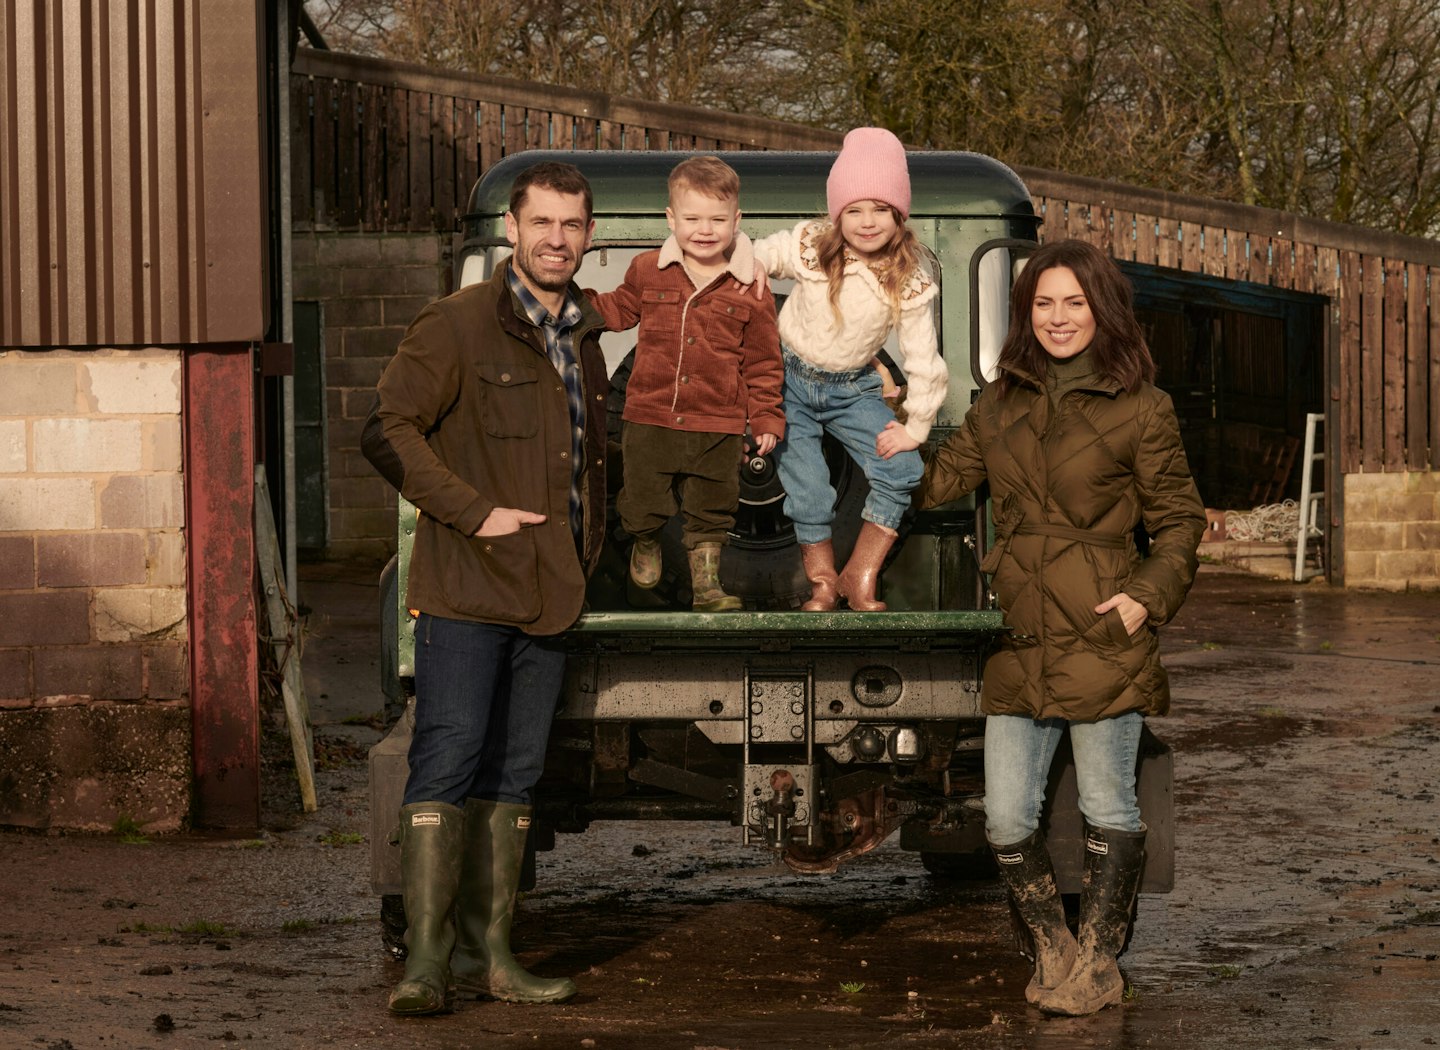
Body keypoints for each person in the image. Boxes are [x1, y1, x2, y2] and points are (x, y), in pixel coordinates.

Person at [918, 239, 1206, 1016]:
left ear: (1101, 309)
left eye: (1073, 302)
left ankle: (1102, 959)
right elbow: (942, 484)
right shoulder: (998, 404)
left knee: (1110, 805)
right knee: (1007, 814)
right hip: (1020, 639)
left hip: (1102, 628)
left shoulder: (1142, 408)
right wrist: (891, 432)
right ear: (1025, 314)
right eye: (1043, 303)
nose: (1057, 318)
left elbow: (1180, 522)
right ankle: (1053, 944)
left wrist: (1147, 595)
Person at [361, 161, 608, 1016]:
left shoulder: (586, 333)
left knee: (516, 770)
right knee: (448, 755)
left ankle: (491, 955)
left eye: (572, 226)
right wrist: (471, 512)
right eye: (542, 223)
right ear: (513, 228)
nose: (556, 239)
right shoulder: (458, 324)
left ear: (588, 235)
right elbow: (385, 429)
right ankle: (427, 965)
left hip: (550, 591)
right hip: (468, 585)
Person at [751, 127, 946, 611]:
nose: (867, 221)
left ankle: (859, 575)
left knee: (902, 468)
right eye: (854, 210)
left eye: (881, 209)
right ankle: (821, 582)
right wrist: (747, 267)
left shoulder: (908, 278)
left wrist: (915, 427)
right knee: (811, 488)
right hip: (788, 380)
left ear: (900, 215)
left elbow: (924, 358)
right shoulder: (814, 245)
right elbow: (765, 254)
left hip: (852, 389)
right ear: (838, 214)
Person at [588, 156, 784, 612]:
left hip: (716, 423)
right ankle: (646, 540)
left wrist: (767, 416)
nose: (704, 229)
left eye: (717, 219)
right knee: (640, 498)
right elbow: (618, 308)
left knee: (712, 507)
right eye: (692, 218)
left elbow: (763, 361)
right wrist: (571, 305)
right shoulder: (647, 270)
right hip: (649, 414)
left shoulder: (750, 288)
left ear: (737, 221)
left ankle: (708, 586)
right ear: (671, 219)